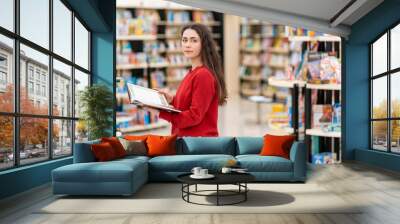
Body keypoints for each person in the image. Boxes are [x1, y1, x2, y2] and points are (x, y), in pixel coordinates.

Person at [142, 23, 227, 137]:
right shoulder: (193, 72)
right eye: (184, 40)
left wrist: (160, 112)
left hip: (197, 146)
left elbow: (194, 116)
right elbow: (189, 103)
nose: (187, 45)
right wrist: (171, 99)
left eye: (194, 40)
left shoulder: (203, 75)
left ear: (204, 44)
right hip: (187, 141)